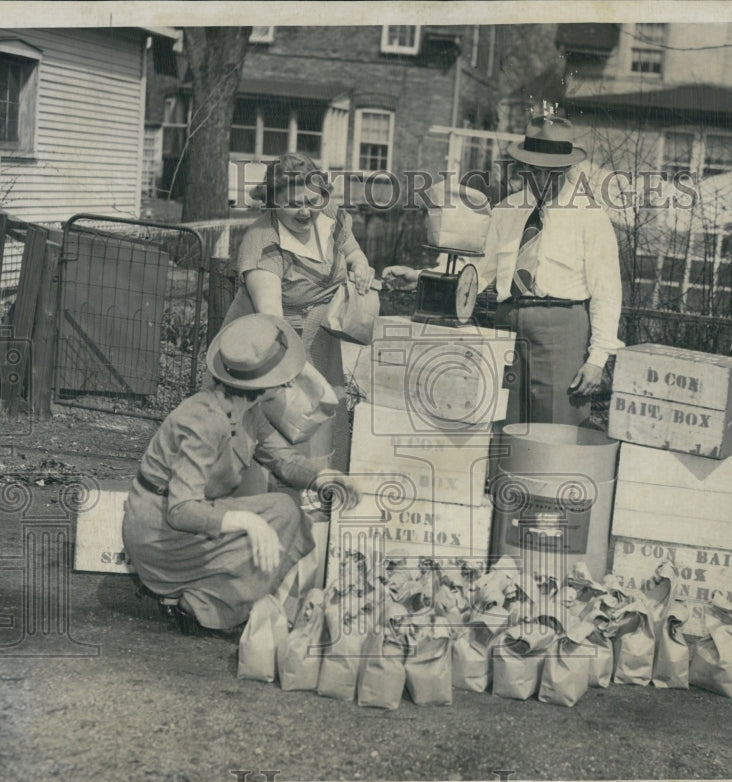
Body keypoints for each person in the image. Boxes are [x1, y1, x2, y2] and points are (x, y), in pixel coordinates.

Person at [122, 314, 360, 633]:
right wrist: (246, 521)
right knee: (264, 528)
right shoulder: (203, 420)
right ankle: (201, 604)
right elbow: (181, 510)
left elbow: (281, 459)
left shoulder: (249, 410)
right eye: (283, 375)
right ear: (263, 385)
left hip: (189, 520)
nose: (289, 381)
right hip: (161, 533)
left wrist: (323, 478)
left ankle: (218, 598)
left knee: (285, 511)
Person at [385, 115, 623, 426]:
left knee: (556, 427)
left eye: (550, 173)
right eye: (534, 172)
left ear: (566, 169)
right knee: (503, 420)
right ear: (524, 169)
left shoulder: (590, 217)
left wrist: (597, 360)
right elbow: (480, 269)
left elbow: (607, 292)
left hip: (561, 328)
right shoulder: (507, 210)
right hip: (507, 324)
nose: (540, 180)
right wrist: (421, 277)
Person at [221, 153, 375, 471]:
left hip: (321, 332)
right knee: (276, 417)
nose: (305, 210)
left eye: (311, 200)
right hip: (272, 342)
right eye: (293, 203)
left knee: (323, 414)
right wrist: (294, 371)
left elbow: (352, 250)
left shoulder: (330, 215)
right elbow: (272, 319)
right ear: (273, 202)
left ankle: (318, 490)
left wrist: (360, 264)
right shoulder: (264, 242)